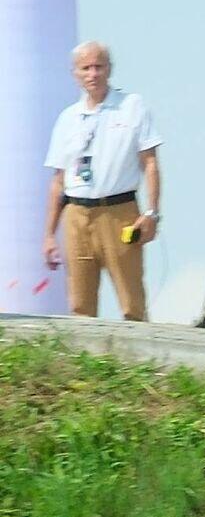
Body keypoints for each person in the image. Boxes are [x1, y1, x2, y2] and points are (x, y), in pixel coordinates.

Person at [43, 41, 162, 321]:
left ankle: (136, 348)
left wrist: (152, 212)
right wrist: (49, 234)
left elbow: (150, 162)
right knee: (80, 304)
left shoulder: (131, 106)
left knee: (131, 301)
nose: (93, 74)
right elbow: (58, 180)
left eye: (99, 67)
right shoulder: (68, 118)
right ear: (75, 73)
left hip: (119, 212)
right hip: (76, 213)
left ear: (109, 69)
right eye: (86, 68)